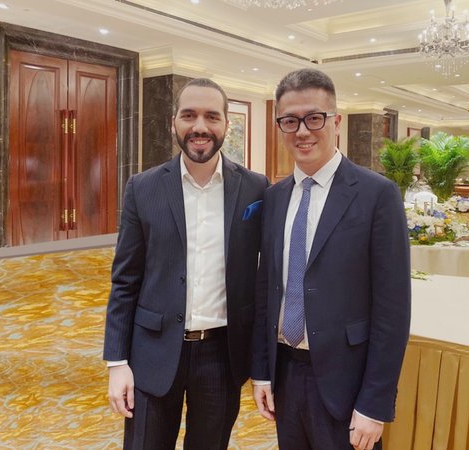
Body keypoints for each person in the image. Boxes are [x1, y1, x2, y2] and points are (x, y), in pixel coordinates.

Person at [103, 78, 269, 449]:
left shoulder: (256, 188)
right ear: (173, 123)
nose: (200, 126)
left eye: (212, 116)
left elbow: (265, 281)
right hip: (152, 351)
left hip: (222, 355)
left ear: (227, 124)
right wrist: (117, 362)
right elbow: (125, 280)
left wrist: (262, 365)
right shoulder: (143, 188)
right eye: (189, 115)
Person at [251, 68, 411, 450]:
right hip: (285, 375)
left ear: (336, 122)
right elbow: (266, 291)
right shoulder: (274, 197)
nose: (302, 131)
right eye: (290, 121)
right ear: (280, 125)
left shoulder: (376, 195)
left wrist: (374, 404)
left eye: (314, 118)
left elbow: (392, 310)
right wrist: (262, 372)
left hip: (348, 384)